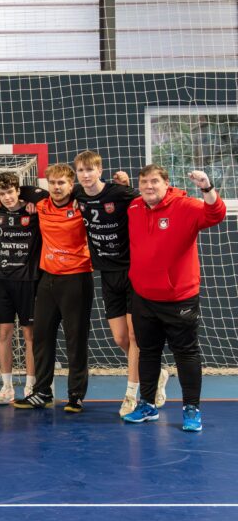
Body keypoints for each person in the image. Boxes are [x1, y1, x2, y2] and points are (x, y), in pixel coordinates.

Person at [123, 166, 226, 432]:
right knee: (148, 352)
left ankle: (191, 408)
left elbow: (216, 214)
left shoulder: (185, 206)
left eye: (154, 181)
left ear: (166, 183)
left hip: (179, 298)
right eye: (143, 182)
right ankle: (147, 404)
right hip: (144, 296)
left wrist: (206, 187)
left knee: (186, 354)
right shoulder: (134, 207)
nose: (149, 186)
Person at [73, 151, 170, 417]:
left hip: (132, 272)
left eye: (90, 170)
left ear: (100, 170)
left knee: (136, 336)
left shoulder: (119, 193)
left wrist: (127, 183)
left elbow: (151, 198)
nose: (86, 175)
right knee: (120, 338)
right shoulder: (77, 194)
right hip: (107, 274)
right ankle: (156, 372)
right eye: (81, 170)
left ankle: (130, 395)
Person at [13, 163, 93, 413]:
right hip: (48, 280)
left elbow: (105, 194)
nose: (57, 187)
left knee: (75, 339)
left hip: (77, 278)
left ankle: (76, 396)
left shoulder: (82, 205)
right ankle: (42, 392)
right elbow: (13, 190)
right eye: (53, 183)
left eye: (62, 183)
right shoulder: (41, 203)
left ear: (71, 185)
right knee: (41, 336)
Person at [0, 172, 41, 404]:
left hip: (28, 281)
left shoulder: (33, 210)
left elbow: (45, 194)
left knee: (30, 335)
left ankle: (31, 385)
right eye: (2, 194)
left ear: (18, 191)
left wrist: (31, 199)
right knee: (3, 334)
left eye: (10, 192)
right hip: (2, 281)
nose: (7, 197)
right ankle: (7, 386)